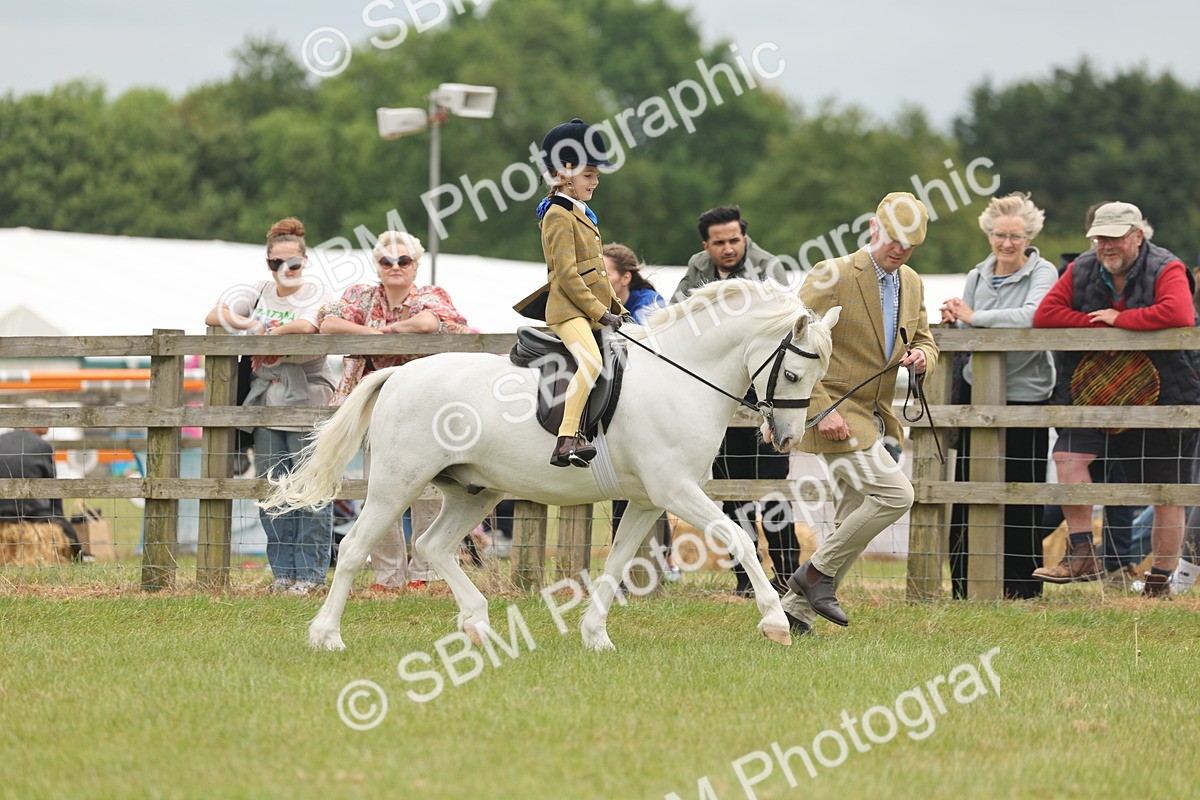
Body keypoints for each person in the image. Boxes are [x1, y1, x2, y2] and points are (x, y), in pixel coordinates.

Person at [781, 192, 938, 632]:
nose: (900, 250)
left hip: (875, 415)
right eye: (894, 239)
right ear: (874, 228)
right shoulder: (831, 274)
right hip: (833, 409)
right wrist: (816, 408)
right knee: (897, 495)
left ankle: (792, 614)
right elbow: (789, 340)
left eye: (910, 244)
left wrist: (924, 357)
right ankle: (814, 576)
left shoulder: (913, 282)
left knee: (852, 517)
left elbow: (924, 338)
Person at [1032, 201, 1200, 597]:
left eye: (1115, 237)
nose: (1106, 246)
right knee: (1068, 459)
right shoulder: (1082, 268)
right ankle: (1082, 553)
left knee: (1167, 491)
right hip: (1090, 394)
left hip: (1166, 395)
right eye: (1099, 238)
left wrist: (1120, 320)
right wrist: (1096, 322)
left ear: (1138, 236)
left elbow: (1178, 313)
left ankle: (1159, 581)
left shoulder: (1166, 267)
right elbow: (1046, 315)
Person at [318, 230, 471, 590]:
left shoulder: (430, 294)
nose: (395, 267)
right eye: (386, 261)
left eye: (403, 261)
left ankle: (425, 573)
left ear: (416, 266)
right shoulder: (362, 295)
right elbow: (328, 321)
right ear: (377, 266)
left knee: (432, 490)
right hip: (379, 408)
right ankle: (388, 576)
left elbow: (432, 322)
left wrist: (390, 330)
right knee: (380, 490)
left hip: (427, 408)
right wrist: (382, 334)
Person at [205, 217, 336, 595]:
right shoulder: (260, 290)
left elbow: (309, 327)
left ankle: (310, 575)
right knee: (272, 488)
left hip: (307, 396)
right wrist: (249, 323)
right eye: (276, 262)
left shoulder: (317, 293)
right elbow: (215, 314)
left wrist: (268, 332)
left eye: (292, 262)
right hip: (265, 400)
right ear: (268, 264)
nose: (285, 269)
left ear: (304, 261)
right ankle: (282, 572)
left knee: (311, 488)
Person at [672, 206, 798, 595]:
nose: (729, 249)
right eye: (720, 242)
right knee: (729, 493)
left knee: (773, 491)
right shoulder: (695, 268)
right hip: (715, 398)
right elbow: (678, 316)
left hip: (763, 397)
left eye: (735, 240)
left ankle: (788, 576)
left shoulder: (769, 267)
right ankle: (746, 578)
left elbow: (779, 325)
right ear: (705, 245)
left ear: (745, 237)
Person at [940, 192, 1057, 599]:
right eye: (999, 235)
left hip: (1027, 393)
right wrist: (956, 321)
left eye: (1015, 236)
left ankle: (1023, 588)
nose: (1007, 244)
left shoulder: (1044, 272)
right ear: (988, 234)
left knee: (1022, 489)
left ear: (1029, 236)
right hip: (978, 392)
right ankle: (962, 584)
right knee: (969, 484)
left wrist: (975, 318)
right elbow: (967, 330)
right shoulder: (977, 274)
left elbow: (1034, 316)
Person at [514, 117, 627, 468]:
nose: (595, 182)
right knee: (591, 362)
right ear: (565, 170)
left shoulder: (581, 212)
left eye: (596, 176)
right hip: (568, 311)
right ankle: (566, 439)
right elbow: (567, 274)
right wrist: (599, 312)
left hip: (587, 307)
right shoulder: (558, 215)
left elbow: (596, 271)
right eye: (589, 175)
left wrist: (619, 307)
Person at [600, 243, 679, 578]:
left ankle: (663, 564)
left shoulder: (651, 306)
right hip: (620, 406)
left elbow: (644, 347)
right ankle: (634, 571)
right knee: (633, 490)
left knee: (652, 490)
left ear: (625, 277)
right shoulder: (601, 302)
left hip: (653, 411)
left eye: (603, 273)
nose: (596, 279)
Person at [0, 399, 80, 560]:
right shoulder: (42, 446)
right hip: (32, 513)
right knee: (74, 541)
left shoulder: (2, 440)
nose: (49, 421)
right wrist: (61, 522)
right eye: (45, 416)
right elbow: (53, 489)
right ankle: (82, 556)